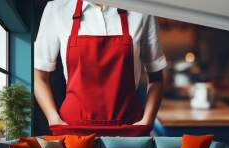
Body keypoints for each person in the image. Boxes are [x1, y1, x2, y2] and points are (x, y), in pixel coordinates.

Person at [34, 0, 167, 136]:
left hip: (129, 131)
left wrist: (147, 121)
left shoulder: (142, 11)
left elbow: (156, 78)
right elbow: (39, 76)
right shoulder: (57, 9)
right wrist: (53, 119)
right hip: (74, 132)